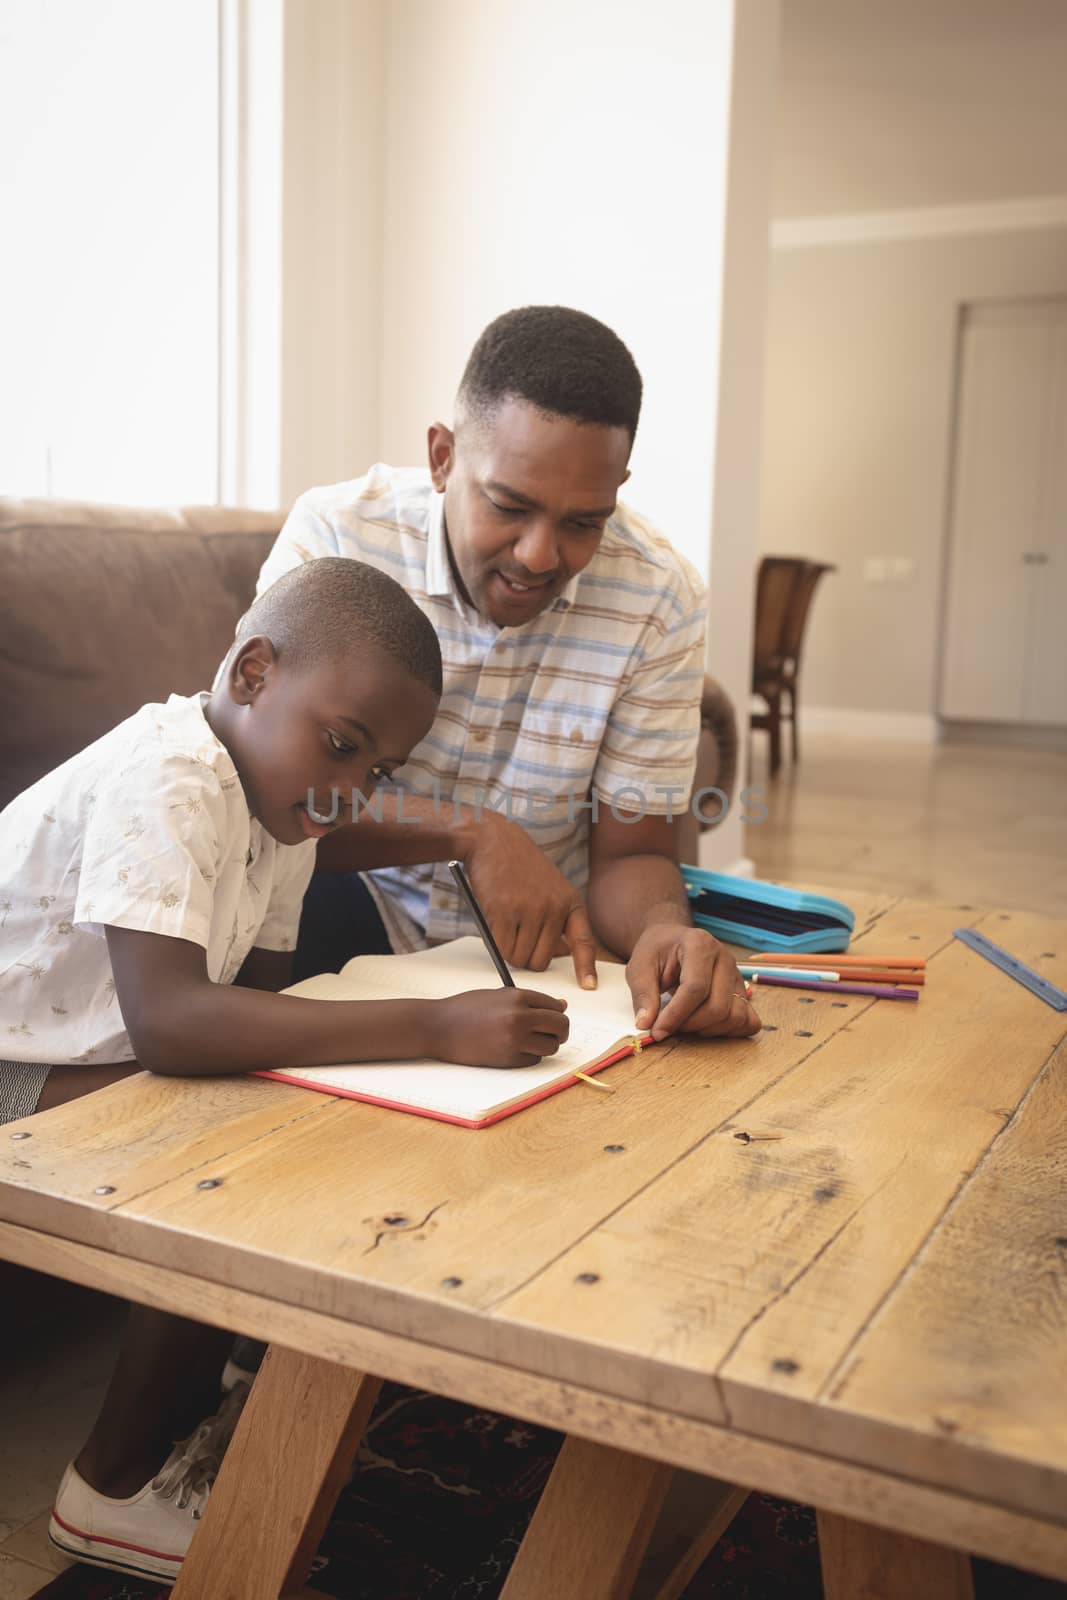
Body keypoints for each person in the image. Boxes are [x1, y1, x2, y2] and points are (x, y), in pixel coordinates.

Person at [0, 557, 569, 1583]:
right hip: (9, 1072)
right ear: (252, 672)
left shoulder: (281, 807)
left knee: (279, 1114)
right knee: (219, 1145)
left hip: (77, 1054)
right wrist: (434, 1027)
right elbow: (173, 1023)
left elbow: (260, 1013)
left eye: (377, 771)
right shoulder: (170, 774)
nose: (349, 791)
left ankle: (220, 1348)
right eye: (343, 745)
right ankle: (110, 1488)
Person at [261, 305, 761, 1044]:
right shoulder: (339, 537)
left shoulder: (661, 597)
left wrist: (663, 931)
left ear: (617, 489)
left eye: (583, 523)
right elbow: (268, 797)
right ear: (441, 457)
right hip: (334, 903)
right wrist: (471, 833)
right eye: (509, 505)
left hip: (537, 961)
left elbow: (635, 851)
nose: (537, 555)